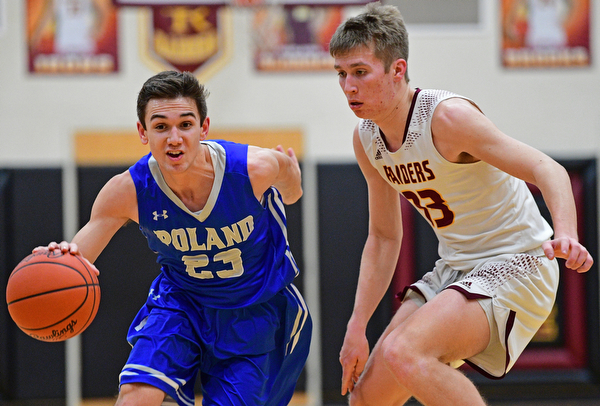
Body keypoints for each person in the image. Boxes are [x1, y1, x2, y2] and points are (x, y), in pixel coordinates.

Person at [329, 3, 593, 405]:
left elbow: (547, 168)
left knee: (406, 352)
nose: (349, 86)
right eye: (342, 74)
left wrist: (567, 234)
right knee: (367, 398)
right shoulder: (366, 139)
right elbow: (383, 237)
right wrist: (357, 324)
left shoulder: (447, 118)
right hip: (456, 269)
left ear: (397, 70)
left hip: (517, 262)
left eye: (360, 72)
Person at [35, 70, 312, 406]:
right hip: (181, 303)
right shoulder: (127, 191)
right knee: (135, 398)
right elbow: (79, 256)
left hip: (255, 310)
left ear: (204, 128)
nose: (174, 137)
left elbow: (292, 188)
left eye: (185, 124)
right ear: (143, 132)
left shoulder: (253, 168)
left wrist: (292, 179)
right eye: (161, 126)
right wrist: (61, 261)